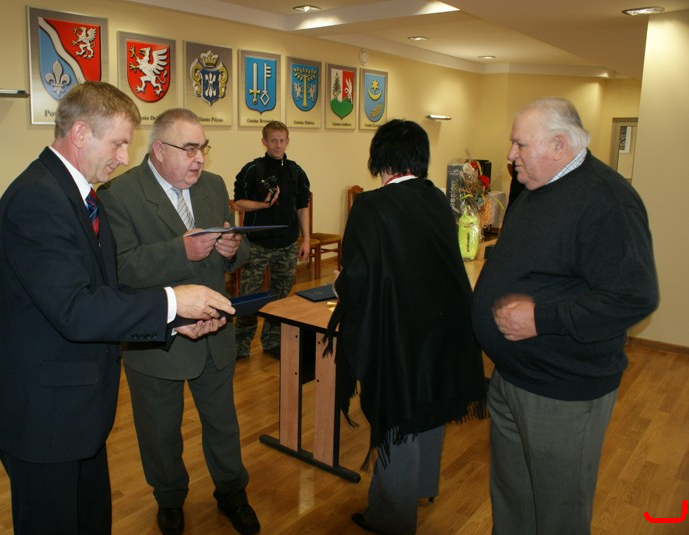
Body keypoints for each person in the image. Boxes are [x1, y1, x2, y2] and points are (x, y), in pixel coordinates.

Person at [0, 82, 234, 535]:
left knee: (93, 521)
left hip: (79, 409)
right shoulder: (37, 199)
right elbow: (75, 309)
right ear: (81, 133)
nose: (123, 157)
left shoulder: (79, 196)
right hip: (46, 416)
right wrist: (173, 301)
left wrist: (173, 324)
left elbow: (108, 293)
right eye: (118, 143)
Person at [472, 97, 659, 535]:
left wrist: (542, 319)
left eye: (520, 144)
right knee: (512, 502)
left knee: (558, 514)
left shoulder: (607, 200)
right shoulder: (534, 189)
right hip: (512, 379)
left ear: (559, 145)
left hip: (562, 392)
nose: (511, 154)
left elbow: (634, 296)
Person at [97, 108, 259, 535]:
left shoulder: (214, 185)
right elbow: (119, 269)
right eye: (189, 149)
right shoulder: (118, 194)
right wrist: (179, 251)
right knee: (160, 432)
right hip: (156, 339)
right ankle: (169, 499)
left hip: (213, 334)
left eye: (202, 147)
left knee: (223, 424)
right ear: (158, 150)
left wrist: (232, 250)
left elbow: (238, 248)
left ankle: (232, 491)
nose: (199, 158)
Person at [326, 119, 488, 535]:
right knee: (428, 404)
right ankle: (422, 486)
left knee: (397, 416)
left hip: (400, 331)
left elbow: (357, 277)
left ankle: (391, 518)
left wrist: (340, 287)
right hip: (444, 326)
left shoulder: (371, 206)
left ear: (380, 159)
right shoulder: (436, 198)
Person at [233, 121, 311, 359]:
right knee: (248, 296)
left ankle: (272, 341)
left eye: (282, 140)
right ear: (264, 142)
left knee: (280, 296)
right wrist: (263, 205)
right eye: (273, 140)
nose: (278, 145)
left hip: (287, 245)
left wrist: (306, 239)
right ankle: (240, 345)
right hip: (256, 245)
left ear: (287, 141)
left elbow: (302, 207)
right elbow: (238, 203)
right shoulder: (252, 169)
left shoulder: (296, 171)